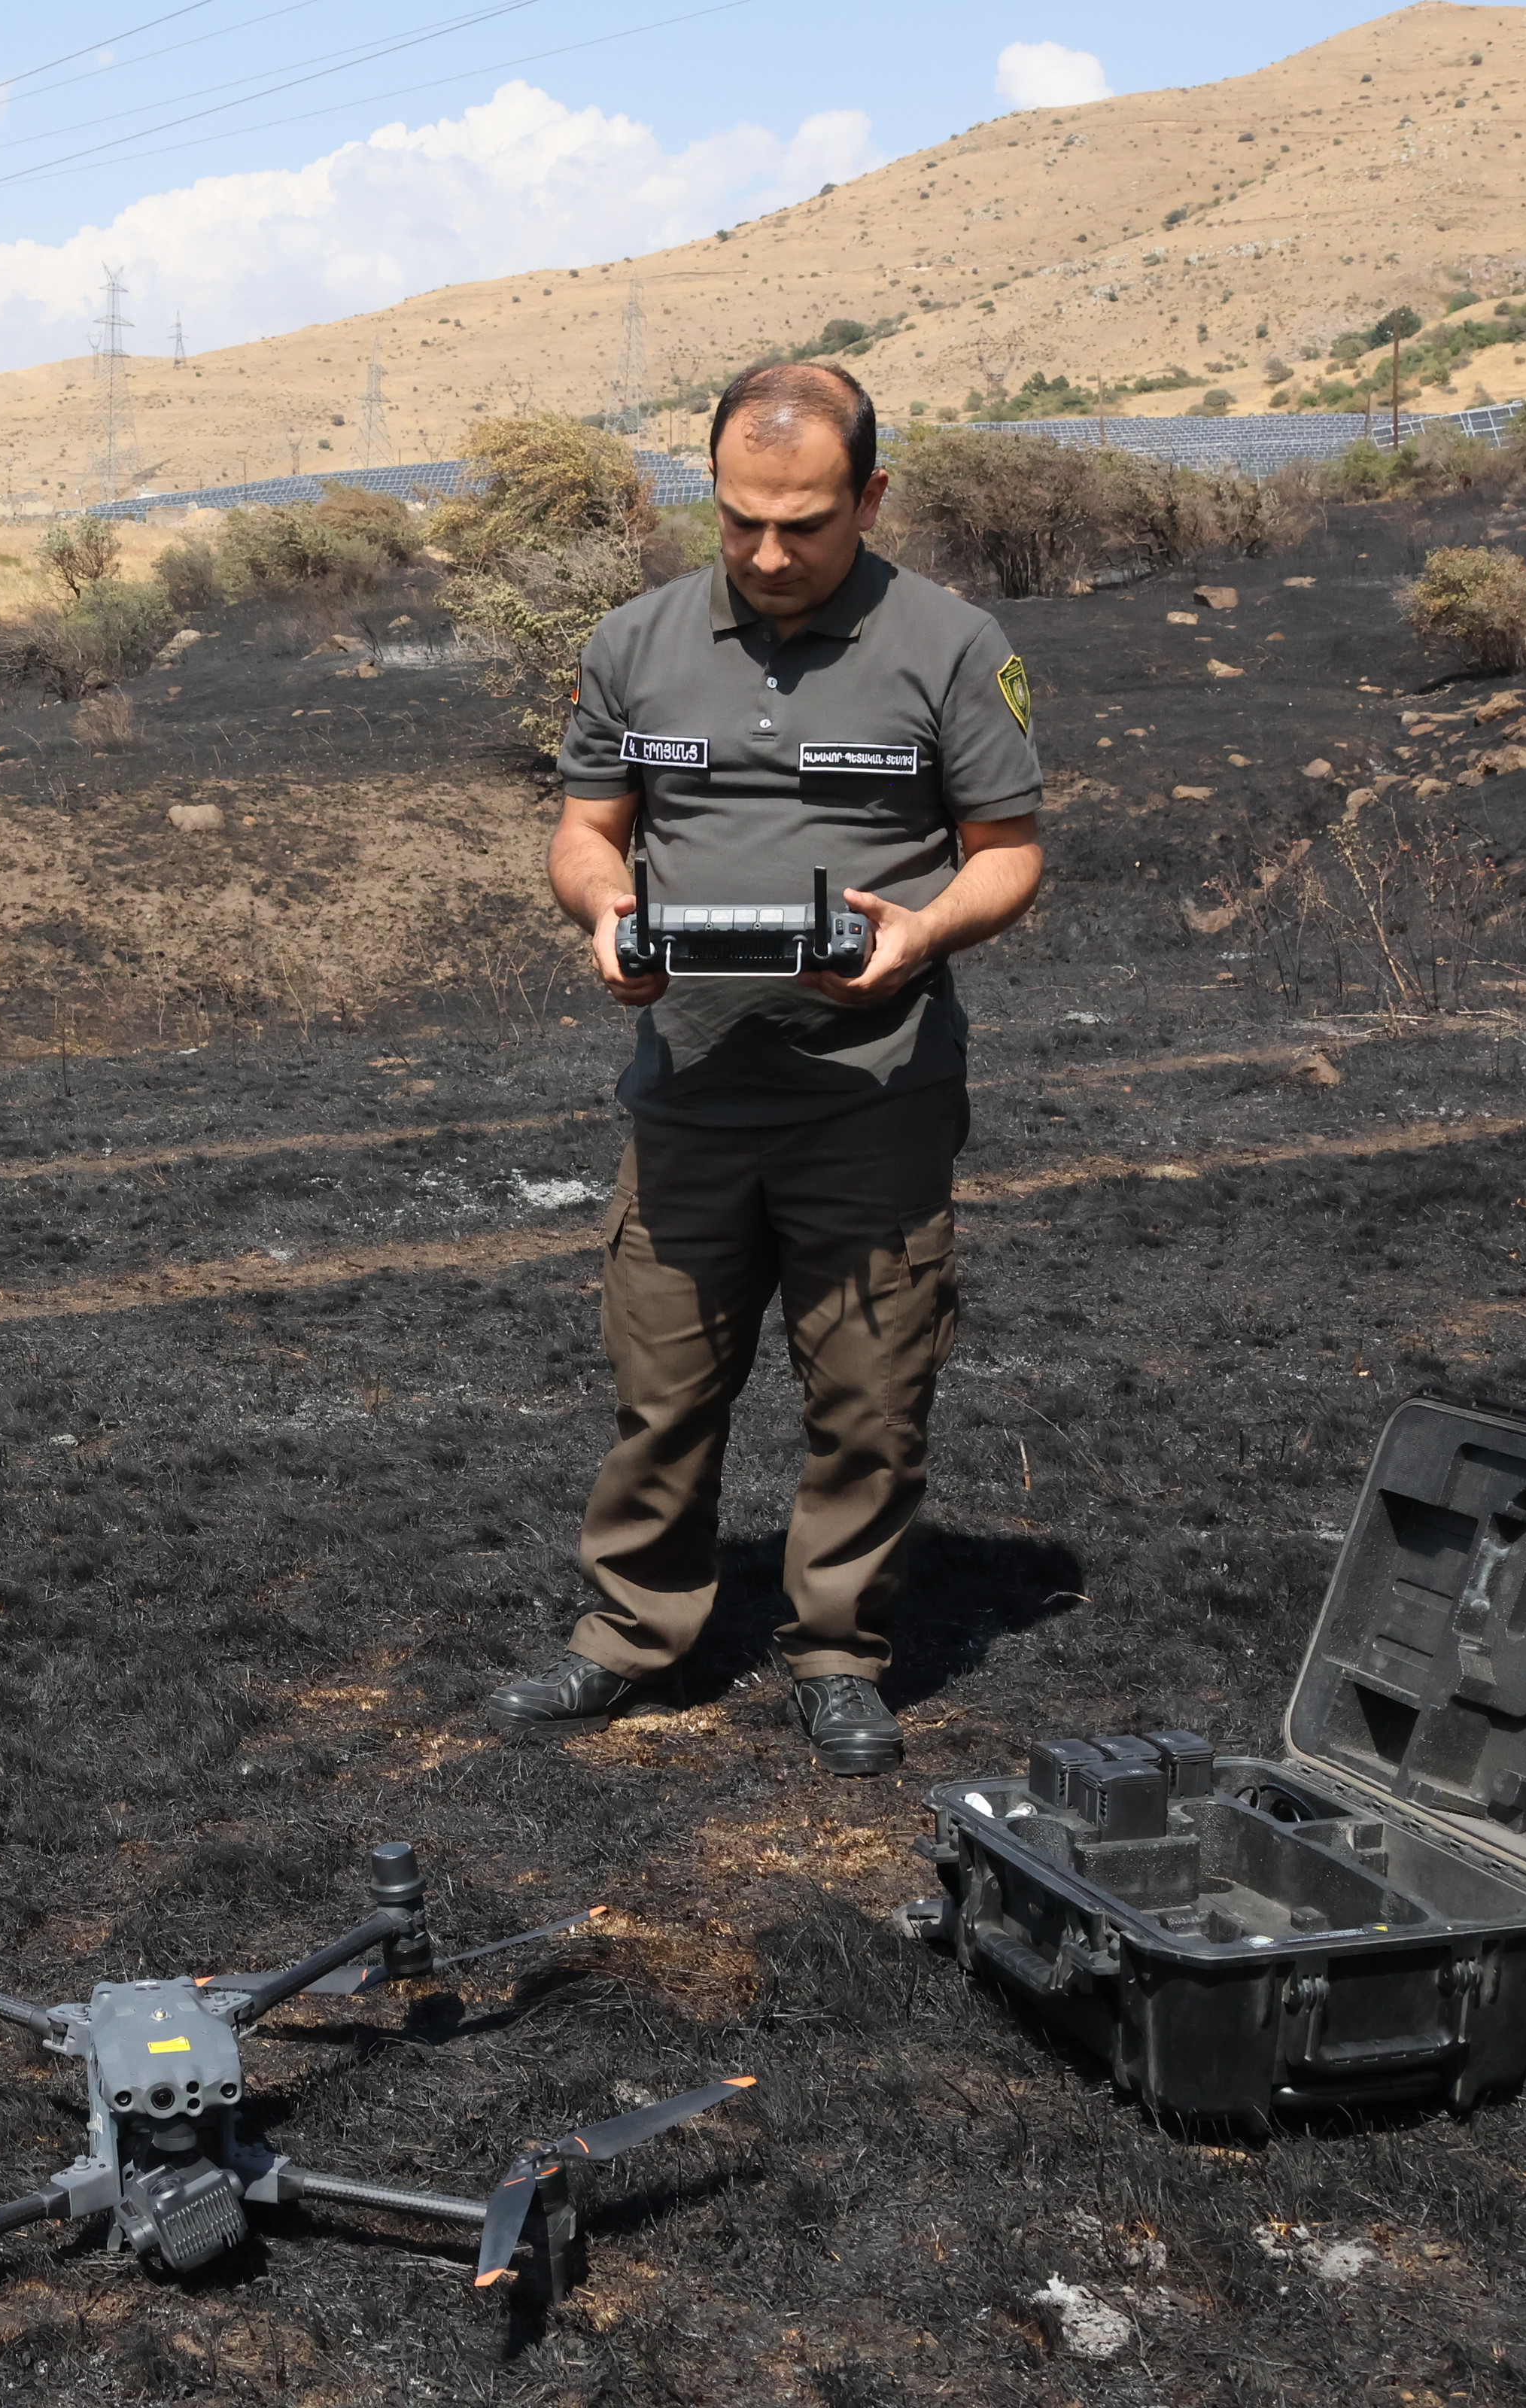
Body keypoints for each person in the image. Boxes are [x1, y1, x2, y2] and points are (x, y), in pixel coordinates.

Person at [485, 361, 1046, 1775]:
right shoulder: (633, 643)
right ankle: (630, 1638)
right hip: (689, 1090)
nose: (770, 553)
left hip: (874, 1095)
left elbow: (1009, 856)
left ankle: (839, 1655)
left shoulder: (954, 646)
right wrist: (605, 911)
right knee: (663, 1392)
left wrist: (920, 935)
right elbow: (587, 830)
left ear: (871, 496)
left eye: (805, 523)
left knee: (870, 1398)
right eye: (741, 520)